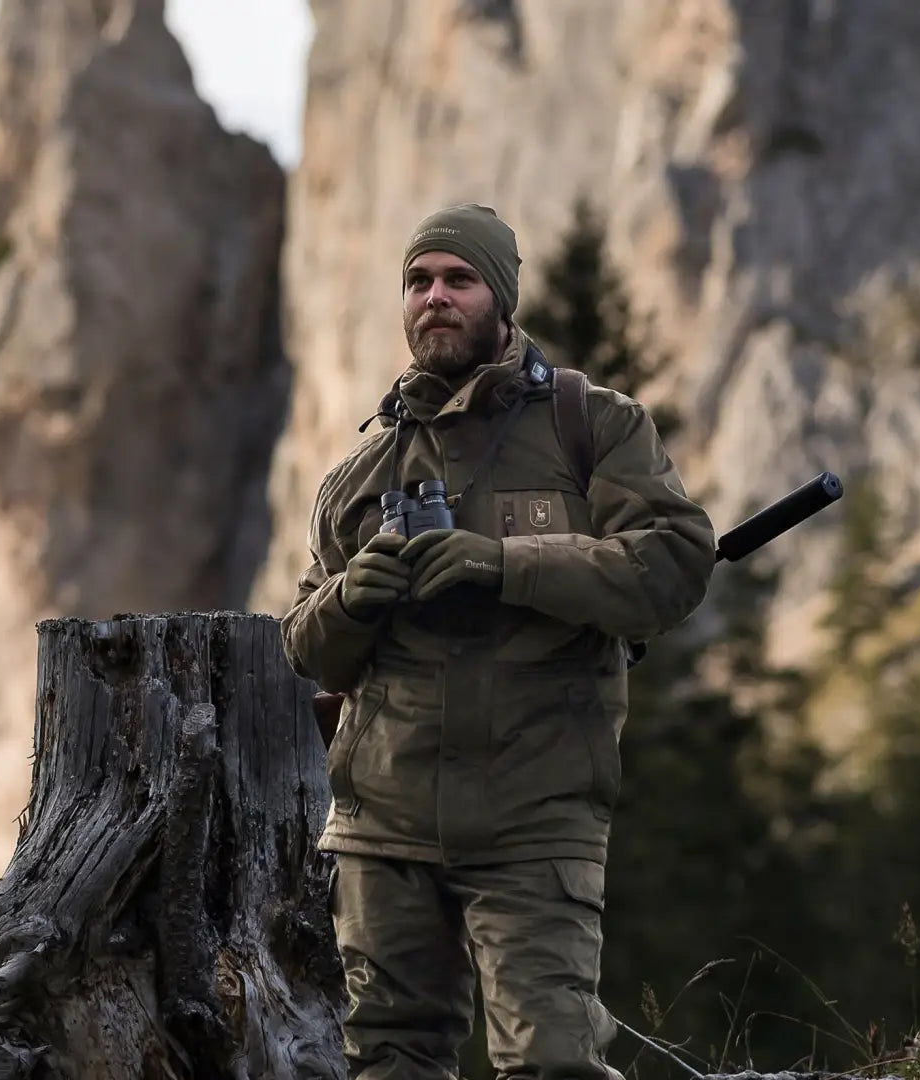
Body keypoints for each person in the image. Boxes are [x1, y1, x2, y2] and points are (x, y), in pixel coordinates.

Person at [281, 203, 716, 1080]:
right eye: (418, 281)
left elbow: (673, 564)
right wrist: (349, 599)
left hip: (535, 817)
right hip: (383, 828)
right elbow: (304, 647)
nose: (434, 297)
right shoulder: (359, 475)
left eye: (458, 279)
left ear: (502, 300)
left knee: (552, 1063)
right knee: (389, 1061)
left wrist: (506, 563)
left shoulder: (589, 426)